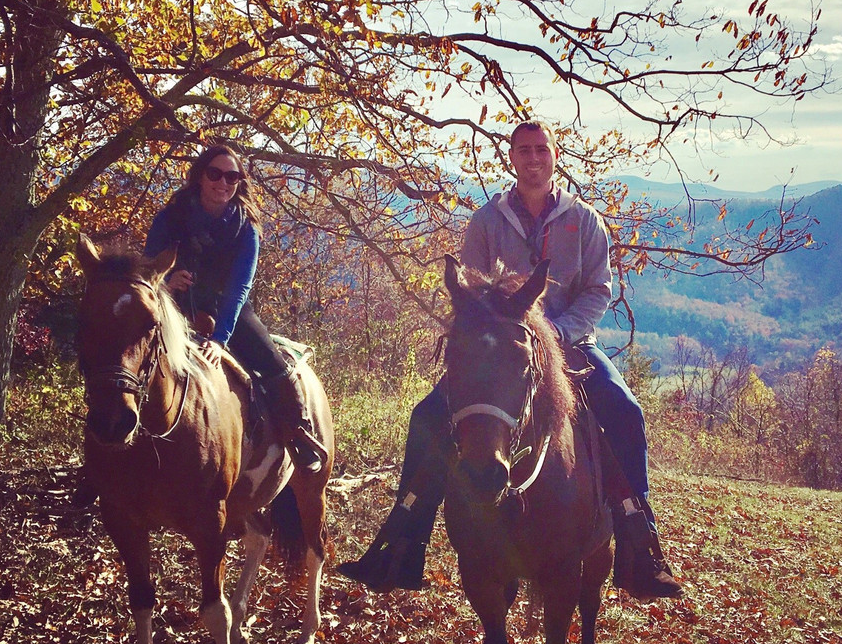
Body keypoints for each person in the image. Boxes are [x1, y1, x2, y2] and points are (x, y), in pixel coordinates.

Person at [337, 121, 681, 599]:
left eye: (542, 149)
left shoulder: (583, 221)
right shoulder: (486, 221)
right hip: (498, 350)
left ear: (555, 156)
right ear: (512, 157)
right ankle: (402, 541)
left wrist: (558, 334)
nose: (533, 158)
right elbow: (472, 291)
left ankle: (639, 541)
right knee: (428, 416)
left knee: (624, 410)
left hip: (571, 343)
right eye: (524, 150)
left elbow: (599, 290)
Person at [144, 144, 323, 473]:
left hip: (230, 308)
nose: (222, 182)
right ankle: (103, 456)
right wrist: (166, 281)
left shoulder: (246, 227)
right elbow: (148, 265)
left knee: (271, 362)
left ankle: (298, 433)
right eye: (215, 174)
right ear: (200, 176)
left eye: (232, 176)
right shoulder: (172, 216)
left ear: (239, 182)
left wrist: (220, 338)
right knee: (129, 354)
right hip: (173, 303)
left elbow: (240, 286)